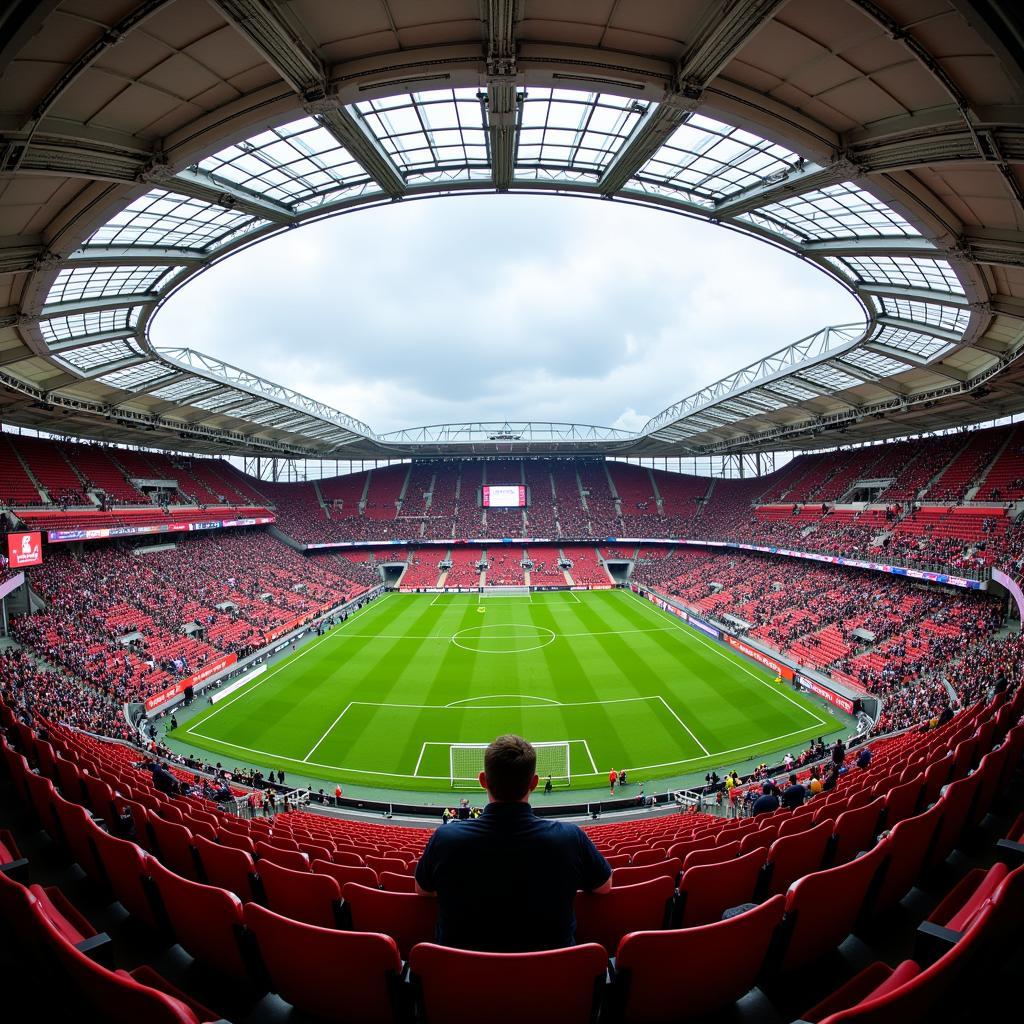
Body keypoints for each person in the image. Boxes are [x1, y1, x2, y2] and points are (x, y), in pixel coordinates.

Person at [415, 734, 611, 951]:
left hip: (461, 977)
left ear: (483, 780)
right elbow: (604, 886)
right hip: (554, 976)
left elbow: (423, 889)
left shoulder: (445, 838)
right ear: (534, 783)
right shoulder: (570, 837)